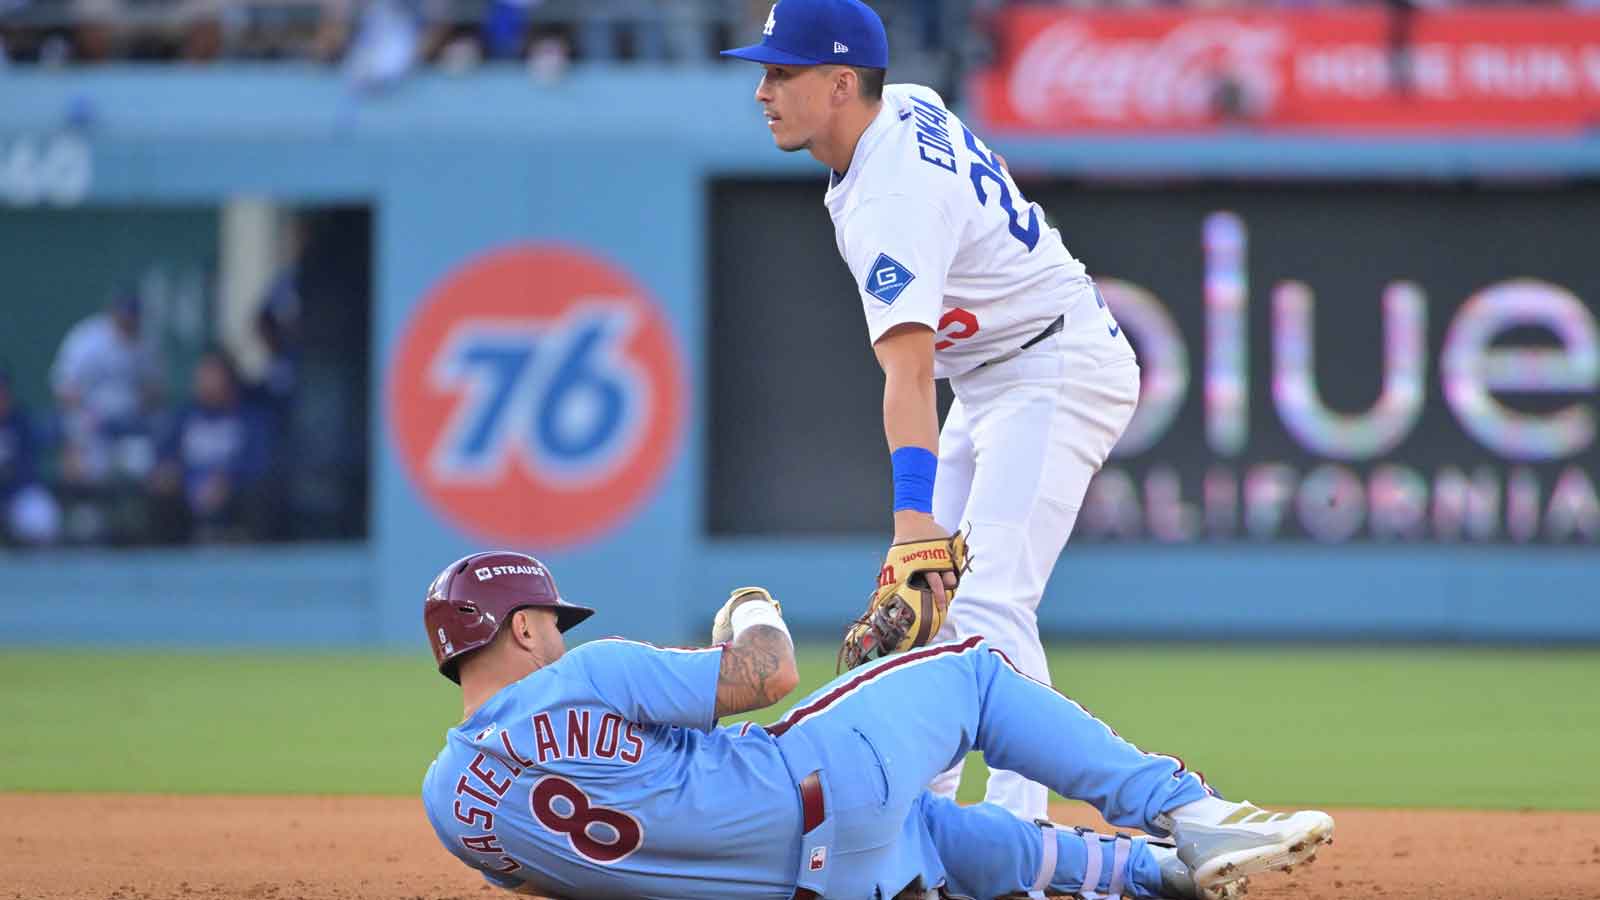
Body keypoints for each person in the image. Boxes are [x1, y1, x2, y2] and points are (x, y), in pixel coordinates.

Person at [720, 0, 1140, 821]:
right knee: (934, 614)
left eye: (782, 72)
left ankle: (1021, 831)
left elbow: (909, 376)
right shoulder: (904, 101)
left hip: (1055, 366)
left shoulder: (891, 202)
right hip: (996, 368)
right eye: (764, 71)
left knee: (986, 605)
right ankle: (924, 809)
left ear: (842, 84)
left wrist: (914, 521)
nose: (763, 90)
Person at [421, 551, 1333, 900]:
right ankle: (1187, 809)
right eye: (549, 620)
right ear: (523, 626)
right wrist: (749, 605)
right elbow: (770, 675)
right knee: (972, 675)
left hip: (816, 890)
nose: (556, 633)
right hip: (812, 783)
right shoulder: (585, 673)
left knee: (930, 831)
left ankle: (1154, 876)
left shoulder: (449, 806)